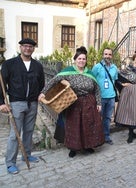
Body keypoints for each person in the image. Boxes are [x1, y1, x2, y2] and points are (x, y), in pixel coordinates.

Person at [39, 46, 104, 158]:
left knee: (88, 125)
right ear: (75, 60)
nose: (82, 61)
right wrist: (43, 93)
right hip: (73, 102)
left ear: (86, 60)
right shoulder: (68, 71)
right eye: (79, 59)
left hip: (89, 102)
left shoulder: (90, 73)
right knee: (73, 126)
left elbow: (97, 89)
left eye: (84, 59)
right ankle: (73, 148)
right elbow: (53, 81)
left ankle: (88, 146)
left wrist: (98, 103)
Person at [0, 38, 45, 174]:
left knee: (29, 131)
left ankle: (27, 154)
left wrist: (41, 94)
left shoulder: (37, 66)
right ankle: (10, 162)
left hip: (33, 103)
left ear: (33, 49)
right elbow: (1, 84)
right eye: (25, 46)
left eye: (30, 46)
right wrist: (1, 102)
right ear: (20, 47)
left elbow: (42, 84)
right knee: (15, 134)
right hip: (16, 103)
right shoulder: (10, 64)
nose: (27, 48)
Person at [115, 48, 136, 143]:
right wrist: (122, 85)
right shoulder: (126, 69)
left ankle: (132, 132)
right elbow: (117, 78)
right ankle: (130, 134)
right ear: (134, 58)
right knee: (129, 113)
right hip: (128, 94)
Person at [92, 47, 118, 145]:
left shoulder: (114, 68)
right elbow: (92, 80)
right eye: (106, 54)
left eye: (109, 54)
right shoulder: (97, 67)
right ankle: (97, 137)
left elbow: (115, 80)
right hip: (100, 97)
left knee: (107, 118)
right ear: (103, 55)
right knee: (98, 118)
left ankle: (106, 136)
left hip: (111, 97)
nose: (107, 56)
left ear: (112, 56)